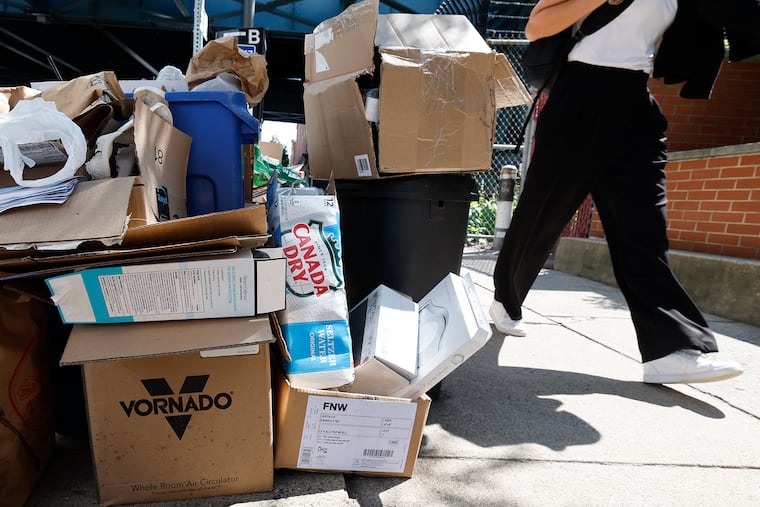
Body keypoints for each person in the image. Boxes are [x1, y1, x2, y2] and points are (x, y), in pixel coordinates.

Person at [490, 0, 760, 384]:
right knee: (543, 214)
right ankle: (506, 298)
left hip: (634, 102)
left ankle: (670, 350)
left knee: (644, 229)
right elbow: (536, 27)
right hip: (578, 97)